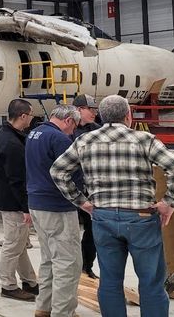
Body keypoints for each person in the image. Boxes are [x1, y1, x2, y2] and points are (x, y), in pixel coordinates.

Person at [51, 95, 174, 317]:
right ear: (128, 116)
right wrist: (168, 203)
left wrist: (82, 202)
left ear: (102, 117)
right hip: (141, 218)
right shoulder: (145, 140)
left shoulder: (84, 141)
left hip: (103, 217)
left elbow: (58, 171)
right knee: (151, 282)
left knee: (110, 281)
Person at [25, 104, 83, 317]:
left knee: (49, 259)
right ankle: (63, 312)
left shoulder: (35, 133)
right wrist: (82, 198)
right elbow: (71, 173)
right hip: (57, 206)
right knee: (68, 262)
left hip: (37, 203)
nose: (73, 131)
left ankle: (44, 307)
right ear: (69, 120)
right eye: (74, 126)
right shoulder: (59, 139)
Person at [0, 98, 38, 302]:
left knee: (19, 244)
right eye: (31, 114)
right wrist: (26, 207)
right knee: (13, 245)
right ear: (23, 116)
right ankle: (8, 286)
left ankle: (29, 281)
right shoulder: (11, 143)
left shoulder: (6, 134)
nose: (32, 118)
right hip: (13, 202)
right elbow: (17, 180)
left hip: (9, 199)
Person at [72, 93, 100, 279]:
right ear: (79, 110)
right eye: (91, 109)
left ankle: (86, 267)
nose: (94, 113)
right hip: (71, 189)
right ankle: (72, 270)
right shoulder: (68, 130)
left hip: (91, 189)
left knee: (93, 230)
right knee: (70, 232)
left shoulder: (97, 130)